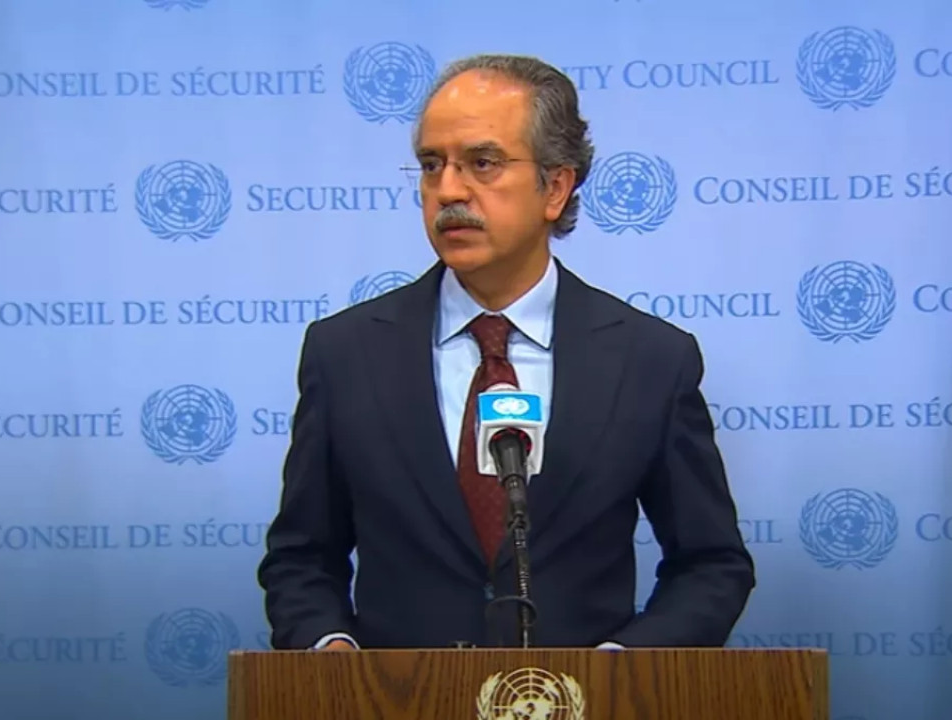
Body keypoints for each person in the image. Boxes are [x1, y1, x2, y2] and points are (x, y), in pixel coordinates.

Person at [256, 54, 755, 650]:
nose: (448, 190)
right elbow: (302, 558)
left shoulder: (649, 359)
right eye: (431, 165)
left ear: (555, 186)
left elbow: (711, 565)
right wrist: (331, 653)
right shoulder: (345, 353)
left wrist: (625, 671)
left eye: (482, 163)